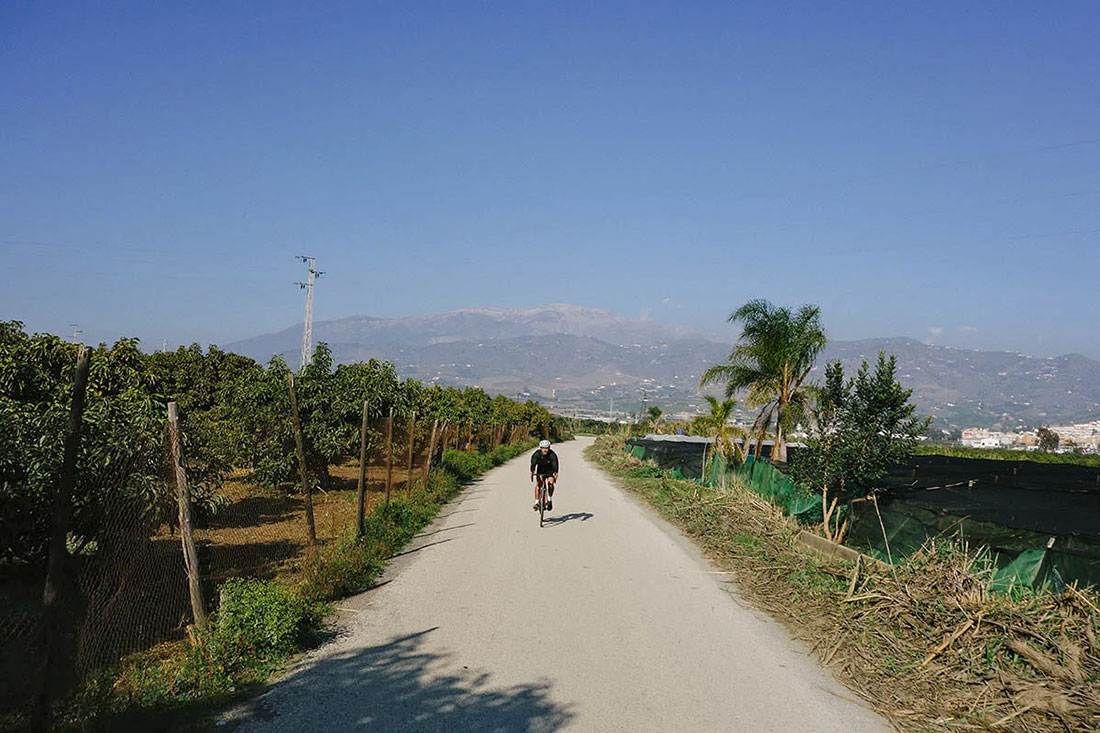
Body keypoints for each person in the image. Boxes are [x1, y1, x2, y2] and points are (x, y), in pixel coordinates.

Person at [530, 439, 559, 511]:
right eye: (543, 448)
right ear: (541, 448)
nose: (545, 450)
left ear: (549, 448)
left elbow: (555, 464)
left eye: (546, 448)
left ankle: (549, 500)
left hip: (550, 471)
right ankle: (536, 503)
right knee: (538, 485)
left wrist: (555, 472)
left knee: (550, 483)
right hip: (540, 471)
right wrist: (532, 471)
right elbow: (533, 463)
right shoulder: (537, 454)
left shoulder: (552, 454)